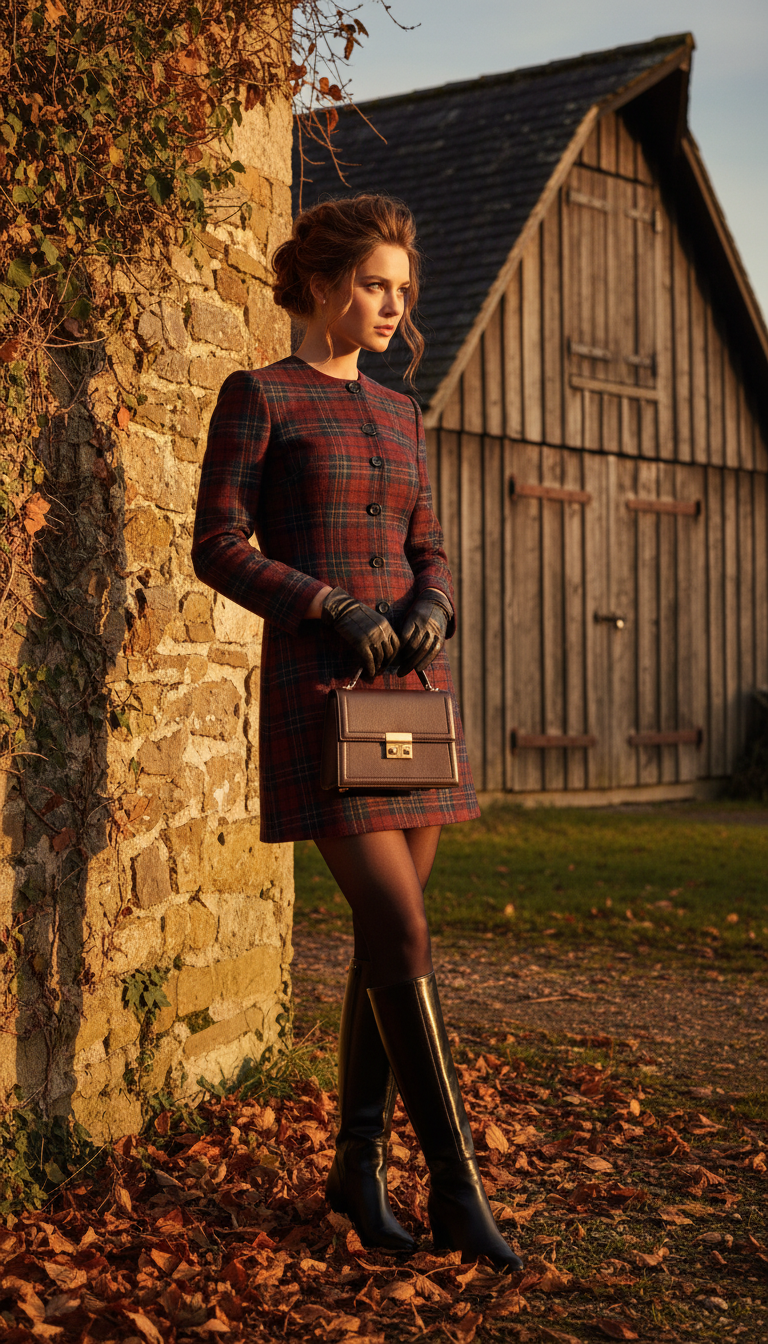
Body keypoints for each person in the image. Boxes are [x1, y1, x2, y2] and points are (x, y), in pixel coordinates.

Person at [192, 194, 522, 1272]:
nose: (394, 305)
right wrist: (326, 605)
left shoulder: (399, 411)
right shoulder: (261, 397)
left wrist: (436, 602)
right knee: (404, 932)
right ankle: (459, 1194)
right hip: (323, 689)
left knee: (390, 941)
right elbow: (218, 545)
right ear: (326, 284)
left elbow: (429, 539)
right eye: (376, 286)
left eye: (403, 291)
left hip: (408, 691)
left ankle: (355, 1172)